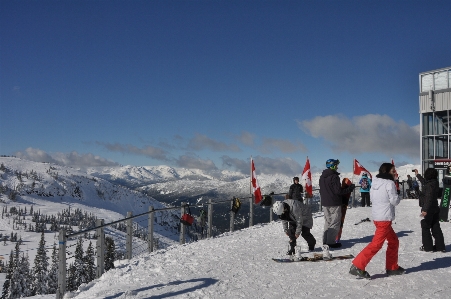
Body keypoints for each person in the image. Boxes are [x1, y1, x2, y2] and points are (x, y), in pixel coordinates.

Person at [349, 163, 406, 278]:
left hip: (377, 216)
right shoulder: (390, 184)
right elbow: (394, 201)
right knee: (376, 244)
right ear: (387, 172)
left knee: (394, 241)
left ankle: (392, 267)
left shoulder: (375, 182)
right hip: (384, 218)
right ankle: (358, 265)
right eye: (393, 171)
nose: (394, 173)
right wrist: (397, 195)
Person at [319, 159, 355, 248]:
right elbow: (338, 191)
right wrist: (349, 189)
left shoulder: (322, 177)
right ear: (333, 166)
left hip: (325, 202)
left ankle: (326, 241)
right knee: (335, 222)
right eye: (336, 165)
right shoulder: (334, 177)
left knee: (328, 222)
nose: (337, 167)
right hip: (334, 202)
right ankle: (330, 242)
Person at [415, 168, 446, 252]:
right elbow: (424, 182)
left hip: (429, 209)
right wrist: (418, 175)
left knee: (425, 225)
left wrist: (425, 209)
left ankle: (428, 247)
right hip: (435, 208)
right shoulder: (434, 183)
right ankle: (440, 247)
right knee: (435, 226)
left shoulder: (429, 186)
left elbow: (428, 198)